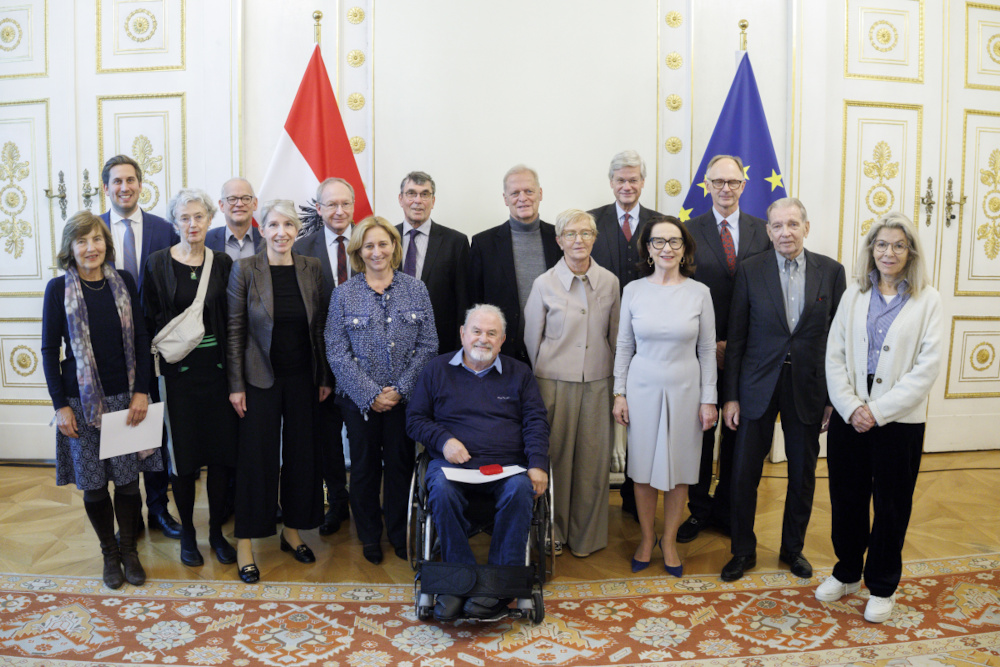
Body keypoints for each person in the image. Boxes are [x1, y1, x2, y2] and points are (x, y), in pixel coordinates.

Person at [818, 211, 942, 623]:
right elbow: (834, 354)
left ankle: (883, 585)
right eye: (882, 244)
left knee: (892, 505)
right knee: (846, 497)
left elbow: (926, 368)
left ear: (911, 253)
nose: (889, 252)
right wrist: (853, 407)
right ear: (871, 250)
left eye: (899, 245)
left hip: (899, 422)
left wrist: (878, 411)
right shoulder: (854, 294)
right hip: (849, 415)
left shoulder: (929, 300)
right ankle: (847, 571)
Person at [721, 197, 846, 582]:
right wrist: (731, 396)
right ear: (768, 230)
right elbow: (737, 338)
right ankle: (742, 551)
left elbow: (837, 341)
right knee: (743, 475)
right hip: (756, 387)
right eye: (776, 225)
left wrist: (830, 398)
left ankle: (793, 549)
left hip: (807, 389)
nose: (784, 232)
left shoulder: (831, 271)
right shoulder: (750, 270)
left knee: (802, 475)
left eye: (792, 224)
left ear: (806, 227)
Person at [41, 211, 162, 588]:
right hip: (81, 403)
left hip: (127, 398)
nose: (90, 248)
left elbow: (142, 340)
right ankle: (109, 553)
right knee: (94, 487)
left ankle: (129, 550)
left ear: (105, 244)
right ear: (70, 249)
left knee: (127, 485)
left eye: (96, 239)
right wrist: (60, 406)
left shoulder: (123, 281)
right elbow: (48, 350)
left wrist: (142, 391)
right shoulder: (58, 290)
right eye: (82, 241)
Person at [407, 304, 550, 621]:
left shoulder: (519, 374)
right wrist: (444, 440)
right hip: (453, 469)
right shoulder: (436, 370)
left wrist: (538, 464)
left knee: (521, 488)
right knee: (440, 490)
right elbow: (415, 419)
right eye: (476, 331)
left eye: (491, 333)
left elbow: (536, 423)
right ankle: (459, 582)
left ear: (501, 340)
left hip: (507, 468)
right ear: (462, 334)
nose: (482, 339)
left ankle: (497, 588)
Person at [325, 216, 438, 565]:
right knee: (363, 468)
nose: (377, 252)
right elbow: (336, 350)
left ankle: (399, 534)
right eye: (369, 245)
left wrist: (400, 390)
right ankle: (370, 536)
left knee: (401, 467)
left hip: (404, 402)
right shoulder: (343, 294)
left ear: (394, 247)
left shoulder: (415, 289)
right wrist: (371, 394)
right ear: (359, 251)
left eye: (383, 244)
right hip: (359, 403)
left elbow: (428, 345)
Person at [227, 200, 329, 583]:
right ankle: (246, 543)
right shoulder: (245, 270)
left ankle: (292, 530)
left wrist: (323, 376)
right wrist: (236, 385)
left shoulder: (311, 268)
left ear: (296, 230)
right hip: (259, 379)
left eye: (289, 224)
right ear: (263, 229)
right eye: (274, 225)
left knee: (303, 456)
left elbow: (319, 327)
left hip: (304, 378)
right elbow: (235, 329)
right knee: (258, 458)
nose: (282, 231)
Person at [612, 216, 717, 577]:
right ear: (648, 249)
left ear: (685, 249)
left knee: (681, 471)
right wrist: (619, 392)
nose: (667, 248)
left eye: (674, 242)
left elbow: (707, 350)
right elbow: (624, 345)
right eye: (659, 242)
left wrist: (709, 399)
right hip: (642, 388)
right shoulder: (634, 290)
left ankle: (669, 541)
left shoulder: (700, 293)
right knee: (641, 470)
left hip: (687, 389)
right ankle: (646, 538)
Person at [142, 189, 238, 568]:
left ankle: (215, 533)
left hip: (216, 376)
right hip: (177, 379)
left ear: (210, 219)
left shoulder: (224, 263)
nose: (192, 224)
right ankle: (189, 535)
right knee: (182, 461)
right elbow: (148, 322)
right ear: (175, 222)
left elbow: (232, 320)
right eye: (184, 217)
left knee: (218, 458)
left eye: (199, 216)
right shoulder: (156, 263)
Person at [679, 154, 771, 544]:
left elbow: (769, 291)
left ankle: (730, 510)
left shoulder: (764, 230)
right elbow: (679, 292)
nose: (726, 189)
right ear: (708, 185)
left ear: (743, 186)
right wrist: (710, 342)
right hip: (702, 352)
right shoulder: (687, 231)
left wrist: (738, 344)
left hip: (749, 353)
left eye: (733, 182)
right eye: (718, 182)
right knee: (702, 433)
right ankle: (698, 510)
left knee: (739, 436)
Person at [524, 209, 620, 558]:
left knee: (593, 463)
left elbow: (616, 336)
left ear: (594, 238)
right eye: (570, 233)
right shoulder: (544, 283)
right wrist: (542, 381)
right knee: (557, 460)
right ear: (559, 240)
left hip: (598, 382)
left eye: (585, 233)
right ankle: (553, 531)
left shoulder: (610, 281)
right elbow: (531, 340)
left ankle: (588, 537)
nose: (578, 240)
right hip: (553, 384)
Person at [100, 155, 182, 540]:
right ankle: (126, 518)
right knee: (119, 427)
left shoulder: (165, 230)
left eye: (131, 180)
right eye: (116, 181)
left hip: (156, 344)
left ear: (141, 184)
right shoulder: (92, 229)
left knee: (155, 428)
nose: (124, 187)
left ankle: (159, 509)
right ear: (106, 188)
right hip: (109, 350)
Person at [588, 150, 660, 523]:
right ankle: (595, 502)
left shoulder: (661, 224)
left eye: (633, 180)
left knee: (643, 420)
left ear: (642, 183)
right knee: (601, 421)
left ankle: (637, 502)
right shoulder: (592, 222)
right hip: (600, 335)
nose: (627, 186)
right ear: (611, 182)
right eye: (620, 180)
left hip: (651, 339)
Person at [293, 177, 356, 536]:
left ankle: (364, 500)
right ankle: (338, 502)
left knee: (364, 439)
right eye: (331, 204)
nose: (339, 211)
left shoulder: (369, 243)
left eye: (345, 203)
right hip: (320, 364)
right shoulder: (301, 247)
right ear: (318, 209)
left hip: (365, 362)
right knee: (328, 441)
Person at [469, 165, 560, 365]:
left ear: (540, 193)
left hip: (553, 353)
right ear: (505, 198)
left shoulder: (559, 239)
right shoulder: (483, 244)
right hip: (501, 354)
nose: (522, 198)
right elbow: (474, 303)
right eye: (515, 193)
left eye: (529, 191)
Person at [396, 171, 471, 354]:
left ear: (433, 201)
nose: (418, 200)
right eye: (411, 193)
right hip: (394, 345)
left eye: (425, 194)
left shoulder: (456, 242)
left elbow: (464, 301)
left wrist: (460, 350)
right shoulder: (384, 239)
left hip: (440, 345)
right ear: (401, 199)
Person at [206, 178, 263, 260]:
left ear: (254, 203)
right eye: (232, 199)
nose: (239, 204)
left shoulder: (267, 239)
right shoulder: (207, 240)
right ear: (222, 205)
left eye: (246, 198)